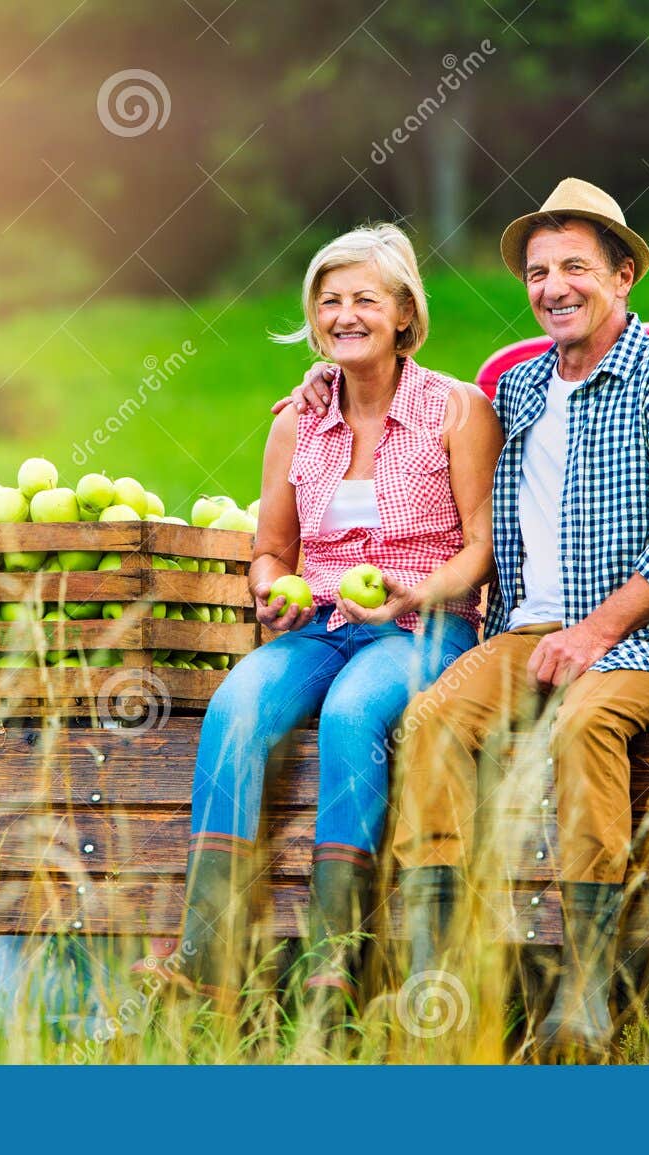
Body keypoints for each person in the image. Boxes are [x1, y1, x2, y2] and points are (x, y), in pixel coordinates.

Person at [283, 180, 649, 1056]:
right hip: (523, 634)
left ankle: (586, 990)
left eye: (576, 267)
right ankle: (437, 975)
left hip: (644, 640)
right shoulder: (521, 387)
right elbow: (416, 406)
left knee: (584, 724)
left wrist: (596, 631)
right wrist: (326, 379)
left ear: (625, 274)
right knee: (430, 722)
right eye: (538, 272)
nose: (553, 286)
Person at [175, 223, 503, 1008]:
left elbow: (483, 549)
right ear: (313, 318)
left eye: (364, 298)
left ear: (402, 316)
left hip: (428, 626)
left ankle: (334, 959)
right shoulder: (296, 421)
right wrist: (267, 587)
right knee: (237, 705)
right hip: (320, 624)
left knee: (355, 712)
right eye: (329, 301)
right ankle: (204, 954)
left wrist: (413, 592)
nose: (344, 314)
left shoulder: (457, 410)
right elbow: (272, 547)